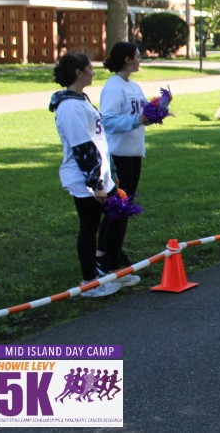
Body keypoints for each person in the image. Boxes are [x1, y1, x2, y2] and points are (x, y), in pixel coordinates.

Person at [49, 53, 123, 298]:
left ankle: (113, 269)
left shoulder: (81, 100)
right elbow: (82, 147)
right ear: (78, 72)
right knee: (89, 227)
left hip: (102, 176)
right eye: (90, 68)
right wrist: (96, 184)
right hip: (86, 181)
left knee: (118, 215)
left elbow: (100, 140)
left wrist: (111, 173)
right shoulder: (69, 107)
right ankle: (89, 282)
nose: (93, 72)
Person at [97, 42, 149, 282]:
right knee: (118, 209)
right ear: (127, 59)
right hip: (119, 156)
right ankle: (107, 260)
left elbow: (143, 113)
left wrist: (159, 108)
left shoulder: (134, 86)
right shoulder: (113, 87)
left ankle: (114, 255)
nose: (140, 59)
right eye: (137, 56)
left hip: (134, 153)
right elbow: (107, 121)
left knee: (123, 209)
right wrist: (136, 120)